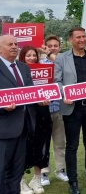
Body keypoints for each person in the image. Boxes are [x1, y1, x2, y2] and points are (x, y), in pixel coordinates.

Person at [54, 26, 86, 194]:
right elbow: (57, 81)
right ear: (70, 40)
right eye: (78, 37)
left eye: (84, 37)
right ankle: (73, 182)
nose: (82, 40)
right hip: (71, 108)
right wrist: (64, 94)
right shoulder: (61, 58)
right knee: (72, 146)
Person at [0, 35, 37, 194]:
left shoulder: (23, 67)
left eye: (16, 44)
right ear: (0, 48)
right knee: (2, 172)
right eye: (10, 44)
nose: (14, 47)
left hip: (24, 127)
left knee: (17, 171)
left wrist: (39, 99)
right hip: (4, 129)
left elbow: (30, 93)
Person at [18, 46, 52, 194]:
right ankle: (20, 182)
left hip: (42, 112)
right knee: (23, 148)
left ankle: (37, 179)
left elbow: (51, 87)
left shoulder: (44, 70)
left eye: (34, 55)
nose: (32, 58)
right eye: (28, 56)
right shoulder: (17, 72)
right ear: (22, 58)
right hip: (25, 114)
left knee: (42, 144)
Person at [39, 35, 69, 186]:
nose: (52, 48)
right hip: (43, 109)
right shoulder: (39, 64)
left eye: (55, 45)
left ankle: (61, 170)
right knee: (43, 143)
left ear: (60, 46)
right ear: (45, 46)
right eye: (49, 45)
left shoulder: (63, 62)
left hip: (59, 108)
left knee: (59, 142)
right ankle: (44, 172)